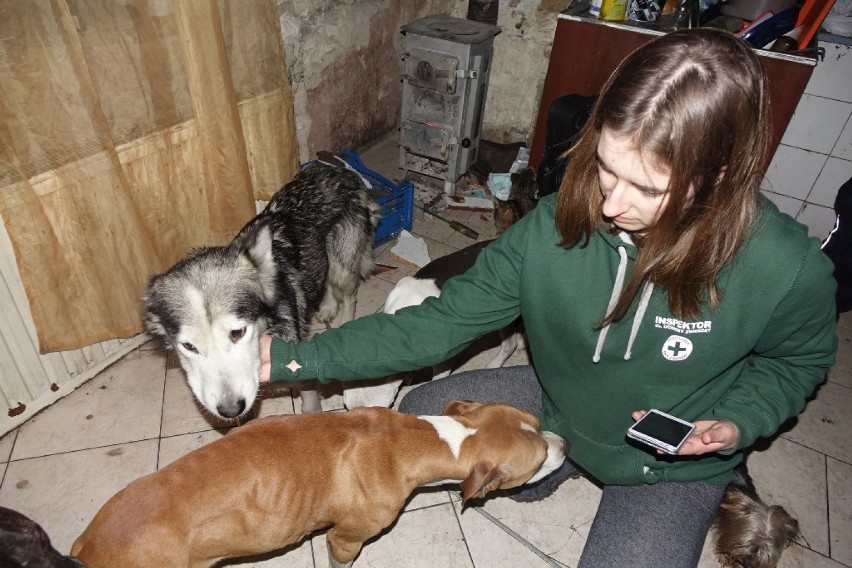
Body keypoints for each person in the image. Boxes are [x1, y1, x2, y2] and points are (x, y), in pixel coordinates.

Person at [259, 28, 837, 567]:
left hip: (669, 463)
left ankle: (708, 487)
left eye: (647, 188)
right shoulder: (557, 222)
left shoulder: (785, 268)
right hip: (558, 400)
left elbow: (799, 362)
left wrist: (740, 421)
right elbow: (438, 323)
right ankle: (561, 458)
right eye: (608, 169)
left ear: (718, 176)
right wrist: (292, 357)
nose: (611, 205)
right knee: (409, 421)